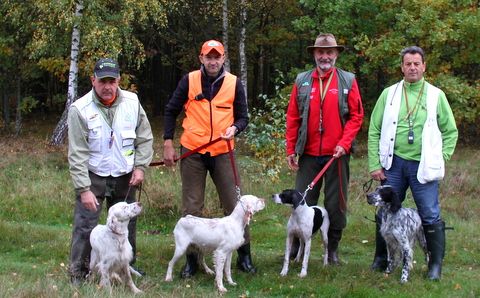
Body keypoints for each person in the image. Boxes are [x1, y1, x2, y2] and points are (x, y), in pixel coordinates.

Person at [368, 46, 458, 280]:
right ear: (402, 67)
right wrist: (374, 163)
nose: (412, 67)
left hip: (423, 165)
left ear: (424, 66)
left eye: (417, 63)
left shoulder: (436, 95)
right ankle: (382, 259)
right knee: (384, 210)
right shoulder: (389, 94)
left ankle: (434, 265)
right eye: (408, 64)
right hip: (394, 163)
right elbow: (374, 129)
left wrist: (442, 157)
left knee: (429, 213)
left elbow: (451, 131)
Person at [163, 40, 251, 277]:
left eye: (217, 57)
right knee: (192, 208)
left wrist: (235, 128)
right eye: (208, 57)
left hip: (223, 151)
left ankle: (245, 257)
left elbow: (243, 117)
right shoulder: (189, 80)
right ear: (201, 58)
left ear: (224, 58)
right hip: (193, 152)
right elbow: (171, 110)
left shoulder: (234, 83)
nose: (213, 61)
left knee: (236, 205)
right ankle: (192, 262)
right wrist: (168, 143)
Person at [67, 58, 154, 285]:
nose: (107, 86)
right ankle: (79, 272)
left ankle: (126, 267)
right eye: (102, 81)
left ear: (118, 80)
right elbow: (76, 153)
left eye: (112, 81)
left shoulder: (133, 102)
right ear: (93, 80)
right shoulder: (79, 109)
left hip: (125, 174)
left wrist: (141, 167)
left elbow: (145, 138)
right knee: (86, 225)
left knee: (127, 222)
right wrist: (83, 188)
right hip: (94, 175)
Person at [286, 33, 364, 264]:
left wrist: (345, 142)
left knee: (335, 203)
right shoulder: (302, 81)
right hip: (309, 154)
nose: (325, 56)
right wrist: (291, 148)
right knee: (301, 199)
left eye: (329, 52)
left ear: (336, 54)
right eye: (321, 52)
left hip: (336, 155)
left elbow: (357, 117)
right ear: (314, 54)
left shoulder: (348, 80)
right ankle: (297, 248)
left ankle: (332, 249)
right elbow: (292, 117)